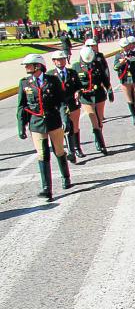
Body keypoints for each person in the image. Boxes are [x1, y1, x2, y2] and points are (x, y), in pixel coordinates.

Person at [17, 53, 73, 198]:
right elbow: (21, 106)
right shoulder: (24, 83)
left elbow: (62, 102)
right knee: (42, 154)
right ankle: (46, 188)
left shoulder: (52, 80)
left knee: (59, 151)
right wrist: (21, 126)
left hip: (53, 120)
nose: (26, 67)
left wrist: (65, 119)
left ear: (38, 66)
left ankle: (65, 177)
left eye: (29, 65)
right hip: (36, 123)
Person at [73, 45, 110, 155]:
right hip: (86, 96)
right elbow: (74, 82)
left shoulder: (97, 64)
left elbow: (104, 78)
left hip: (98, 94)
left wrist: (109, 89)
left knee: (99, 120)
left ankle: (98, 139)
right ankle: (102, 145)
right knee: (94, 119)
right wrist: (77, 91)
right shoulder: (76, 67)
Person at [49, 50, 83, 163]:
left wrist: (78, 92)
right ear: (54, 61)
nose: (60, 61)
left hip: (72, 102)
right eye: (58, 60)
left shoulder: (72, 72)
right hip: (59, 106)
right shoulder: (50, 75)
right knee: (65, 127)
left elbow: (79, 86)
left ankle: (77, 148)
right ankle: (71, 151)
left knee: (74, 127)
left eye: (62, 59)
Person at [113, 37, 135, 126]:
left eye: (127, 46)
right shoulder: (119, 56)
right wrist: (121, 63)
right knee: (129, 99)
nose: (126, 48)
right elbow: (115, 67)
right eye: (124, 46)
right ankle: (134, 118)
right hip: (125, 79)